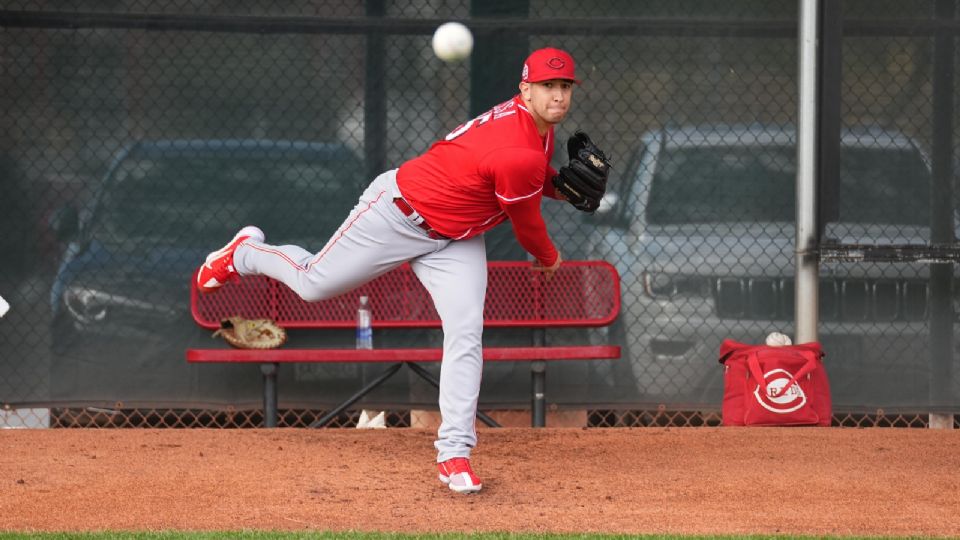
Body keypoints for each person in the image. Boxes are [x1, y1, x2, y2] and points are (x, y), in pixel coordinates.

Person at [197, 47, 605, 494]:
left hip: (454, 238)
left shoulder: (537, 131)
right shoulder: (519, 147)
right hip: (396, 215)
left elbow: (526, 177)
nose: (559, 96)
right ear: (524, 89)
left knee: (466, 331)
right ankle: (244, 253)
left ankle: (454, 454)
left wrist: (561, 189)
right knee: (314, 283)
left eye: (565, 86)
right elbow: (528, 226)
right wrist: (549, 258)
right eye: (548, 86)